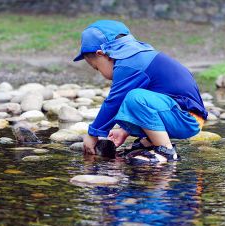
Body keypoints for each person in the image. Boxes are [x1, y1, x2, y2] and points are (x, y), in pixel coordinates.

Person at [73, 20, 207, 163]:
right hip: (177, 112)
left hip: (188, 118)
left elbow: (113, 103)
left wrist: (93, 134)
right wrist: (125, 130)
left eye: (97, 68)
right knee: (133, 99)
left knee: (134, 98)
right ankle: (149, 143)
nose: (100, 73)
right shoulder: (137, 56)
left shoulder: (128, 64)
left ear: (103, 54)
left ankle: (166, 151)